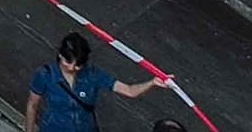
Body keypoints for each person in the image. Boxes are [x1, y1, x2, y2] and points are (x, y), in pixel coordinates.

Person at [23, 30, 161, 132]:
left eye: (78, 65)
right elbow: (32, 105)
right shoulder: (45, 75)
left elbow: (129, 91)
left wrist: (152, 82)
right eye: (67, 61)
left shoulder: (93, 75)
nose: (71, 68)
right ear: (60, 54)